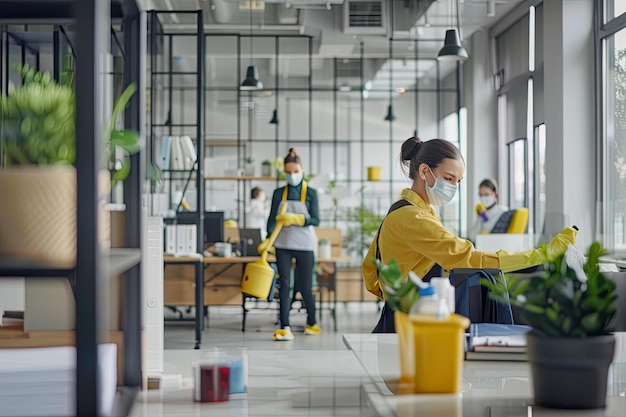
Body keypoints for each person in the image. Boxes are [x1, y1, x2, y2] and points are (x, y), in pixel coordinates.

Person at [361, 137, 577, 333]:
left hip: (403, 315)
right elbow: (468, 258)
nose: (453, 186)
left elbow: (370, 271)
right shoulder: (413, 219)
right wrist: (542, 255)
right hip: (410, 325)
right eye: (448, 178)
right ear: (424, 171)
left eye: (458, 181)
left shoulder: (403, 210)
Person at [267, 148, 321, 341]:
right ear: (284, 172)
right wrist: (267, 240)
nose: (292, 176)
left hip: (305, 244)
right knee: (285, 286)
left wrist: (297, 218)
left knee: (304, 285)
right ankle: (284, 326)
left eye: (295, 171)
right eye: (288, 172)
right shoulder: (278, 193)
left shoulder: (311, 193)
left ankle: (312, 322)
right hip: (283, 243)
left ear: (302, 170)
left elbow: (315, 220)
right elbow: (271, 220)